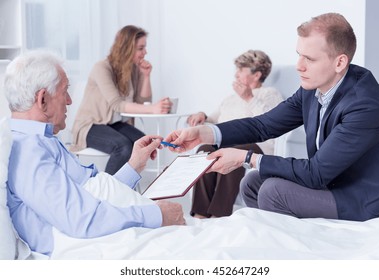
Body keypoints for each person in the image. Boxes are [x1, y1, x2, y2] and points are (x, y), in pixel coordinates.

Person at [165, 13, 379, 222]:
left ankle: (291, 248)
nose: (299, 67)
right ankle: (280, 238)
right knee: (252, 183)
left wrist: (246, 158)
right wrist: (205, 132)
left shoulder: (366, 104)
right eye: (299, 55)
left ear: (339, 62)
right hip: (331, 184)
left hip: (360, 198)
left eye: (309, 59)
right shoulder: (312, 88)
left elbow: (317, 173)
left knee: (273, 192)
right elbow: (264, 125)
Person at [3, 50, 185, 256]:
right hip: (95, 244)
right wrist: (157, 215)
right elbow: (83, 220)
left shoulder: (42, 140)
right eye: (65, 91)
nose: (70, 101)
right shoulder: (27, 152)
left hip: (111, 229)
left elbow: (91, 198)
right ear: (43, 99)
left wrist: (134, 165)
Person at [186, 50, 283, 218]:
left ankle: (219, 215)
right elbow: (213, 118)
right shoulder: (231, 98)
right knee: (204, 150)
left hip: (257, 146)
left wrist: (248, 98)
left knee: (233, 152)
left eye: (241, 70)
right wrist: (203, 115)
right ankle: (200, 214)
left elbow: (271, 122)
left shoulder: (270, 94)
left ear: (257, 74)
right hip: (230, 142)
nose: (236, 74)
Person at [72, 25, 172, 175]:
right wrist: (153, 108)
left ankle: (126, 187)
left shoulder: (132, 70)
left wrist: (146, 76)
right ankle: (108, 192)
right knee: (123, 146)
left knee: (143, 142)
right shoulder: (102, 68)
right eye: (141, 48)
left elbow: (142, 101)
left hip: (115, 124)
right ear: (126, 48)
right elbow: (117, 104)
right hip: (90, 126)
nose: (145, 52)